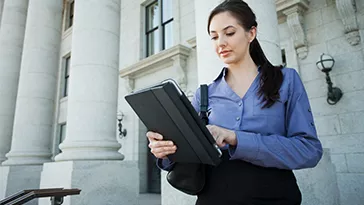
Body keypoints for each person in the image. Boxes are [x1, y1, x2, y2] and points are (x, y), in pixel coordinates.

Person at [146, 0, 323, 204]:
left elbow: (309, 151)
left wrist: (235, 138)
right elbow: (190, 153)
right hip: (214, 198)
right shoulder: (204, 94)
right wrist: (165, 151)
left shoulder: (286, 80)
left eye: (229, 33)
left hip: (276, 197)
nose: (220, 42)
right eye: (214, 37)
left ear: (251, 33)